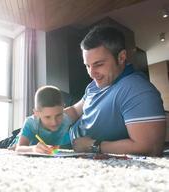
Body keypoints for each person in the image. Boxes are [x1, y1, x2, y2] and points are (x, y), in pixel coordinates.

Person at [65, 26, 166, 156]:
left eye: (99, 64)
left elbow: (150, 148)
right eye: (87, 66)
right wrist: (51, 120)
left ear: (121, 57)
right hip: (62, 140)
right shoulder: (94, 85)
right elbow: (75, 110)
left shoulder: (137, 89)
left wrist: (93, 146)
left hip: (77, 150)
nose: (91, 73)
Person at [15, 85, 72, 153]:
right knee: (9, 146)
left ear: (63, 108)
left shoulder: (67, 118)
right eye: (47, 117)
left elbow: (78, 110)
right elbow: (19, 148)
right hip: (20, 139)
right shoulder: (31, 123)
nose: (54, 122)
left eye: (58, 115)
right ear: (36, 113)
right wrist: (34, 149)